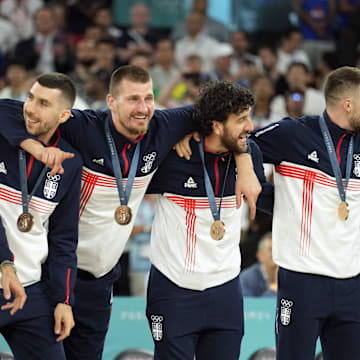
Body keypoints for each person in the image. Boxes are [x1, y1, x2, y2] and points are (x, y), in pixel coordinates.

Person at [0, 65, 262, 360]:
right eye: (133, 99)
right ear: (111, 102)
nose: (143, 108)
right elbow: (9, 111)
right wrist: (33, 146)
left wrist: (244, 162)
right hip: (56, 273)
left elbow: (225, 116)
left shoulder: (164, 126)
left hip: (100, 280)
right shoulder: (84, 127)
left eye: (148, 98)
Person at [146, 81, 273, 359]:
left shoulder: (249, 154)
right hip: (173, 289)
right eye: (241, 119)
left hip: (225, 290)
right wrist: (180, 132)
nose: (250, 126)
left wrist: (245, 160)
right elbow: (151, 125)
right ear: (215, 126)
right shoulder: (174, 155)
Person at [250, 66, 360, 359]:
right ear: (348, 103)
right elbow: (243, 145)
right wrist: (264, 194)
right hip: (302, 281)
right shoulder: (293, 133)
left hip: (352, 282)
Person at [0, 73, 82, 359]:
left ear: (63, 114)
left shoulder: (70, 164)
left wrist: (64, 300)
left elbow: (64, 238)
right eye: (30, 97)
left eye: (43, 103)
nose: (31, 108)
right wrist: (4, 263)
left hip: (29, 290)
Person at [240, 232, 278, 297]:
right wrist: (273, 288)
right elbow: (248, 306)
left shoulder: (286, 275)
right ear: (259, 255)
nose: (275, 253)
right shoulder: (246, 278)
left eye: (277, 250)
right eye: (270, 249)